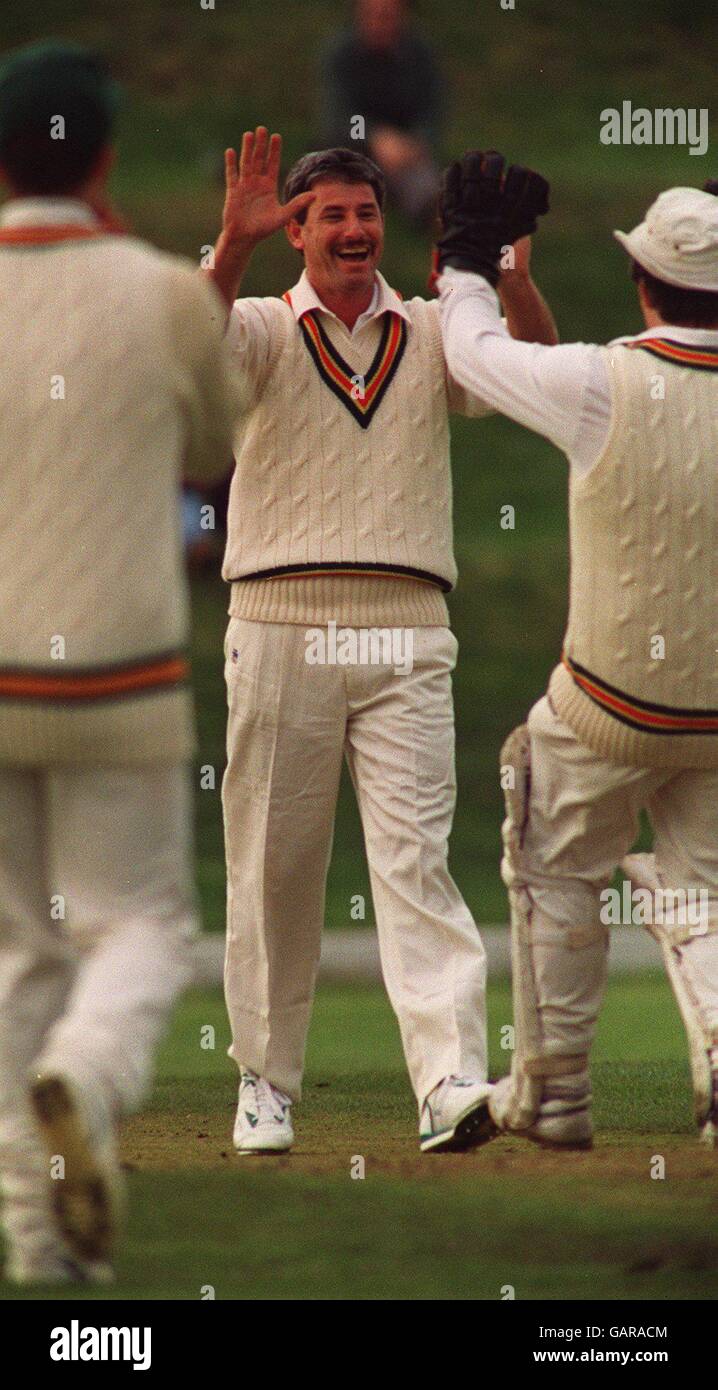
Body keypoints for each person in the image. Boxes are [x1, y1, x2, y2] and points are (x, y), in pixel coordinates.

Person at [207, 130, 557, 1156]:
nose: (354, 229)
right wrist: (227, 247)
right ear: (298, 232)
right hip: (277, 622)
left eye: (366, 212)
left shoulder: (435, 326)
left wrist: (503, 280)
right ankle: (265, 1084)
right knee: (276, 862)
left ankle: (448, 1078)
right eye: (331, 215)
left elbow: (525, 371)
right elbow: (187, 350)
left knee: (415, 861)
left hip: (406, 627)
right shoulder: (264, 327)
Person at [0, 41, 234, 1284]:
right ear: (102, 158)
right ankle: (85, 1084)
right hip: (122, 679)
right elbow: (208, 457)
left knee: (19, 957)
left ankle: (43, 1254)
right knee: (140, 925)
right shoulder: (161, 291)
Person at [437, 152, 718, 1148]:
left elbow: (469, 355)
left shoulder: (602, 381)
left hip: (605, 703)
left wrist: (470, 259)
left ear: (642, 281)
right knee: (703, 896)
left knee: (554, 861)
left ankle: (554, 1097)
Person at [320, 0, 445, 227]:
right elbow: (340, 113)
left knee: (421, 181)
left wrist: (416, 141)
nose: (380, 23)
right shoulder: (342, 55)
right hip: (356, 146)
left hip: (408, 150)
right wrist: (375, 137)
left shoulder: (419, 54)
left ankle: (434, 212)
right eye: (373, 14)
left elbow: (432, 108)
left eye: (387, 15)